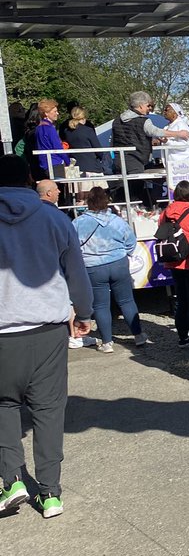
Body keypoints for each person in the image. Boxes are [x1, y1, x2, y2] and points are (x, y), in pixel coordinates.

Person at [0, 154, 93, 520]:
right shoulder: (55, 219)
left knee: (4, 404)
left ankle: (11, 480)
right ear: (28, 179)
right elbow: (76, 274)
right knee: (49, 410)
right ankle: (51, 492)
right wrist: (83, 313)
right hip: (48, 329)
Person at [76, 187, 150, 353]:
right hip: (118, 263)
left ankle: (107, 343)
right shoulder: (117, 221)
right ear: (106, 201)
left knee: (101, 305)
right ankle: (138, 335)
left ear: (89, 202)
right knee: (127, 301)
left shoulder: (79, 223)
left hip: (93, 267)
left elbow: (73, 246)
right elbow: (131, 242)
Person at [111, 92, 188, 209]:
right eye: (148, 106)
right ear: (141, 105)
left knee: (122, 191)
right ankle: (136, 214)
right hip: (135, 160)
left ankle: (123, 212)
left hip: (118, 160)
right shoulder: (143, 121)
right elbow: (155, 131)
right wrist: (178, 133)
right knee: (135, 191)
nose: (149, 109)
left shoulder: (116, 121)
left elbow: (119, 140)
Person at [158, 180, 189, 349]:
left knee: (181, 299)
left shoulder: (165, 213)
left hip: (173, 261)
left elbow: (161, 232)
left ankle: (182, 337)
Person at [24, 98, 66, 182]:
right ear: (46, 113)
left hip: (42, 164)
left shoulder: (37, 129)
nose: (57, 113)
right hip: (53, 164)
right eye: (55, 111)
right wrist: (67, 161)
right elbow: (57, 147)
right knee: (57, 189)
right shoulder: (48, 128)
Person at [59, 105, 107, 175]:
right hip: (92, 168)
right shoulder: (88, 130)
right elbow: (99, 150)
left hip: (76, 168)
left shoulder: (67, 132)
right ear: (83, 117)